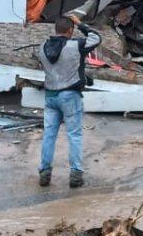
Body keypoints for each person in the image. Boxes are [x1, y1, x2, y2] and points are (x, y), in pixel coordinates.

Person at [37, 14, 101, 188]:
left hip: (50, 96)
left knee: (49, 135)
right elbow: (96, 38)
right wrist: (80, 24)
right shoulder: (76, 45)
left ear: (56, 29)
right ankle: (75, 174)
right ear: (70, 30)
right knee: (74, 135)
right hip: (70, 96)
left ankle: (44, 172)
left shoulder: (42, 47)